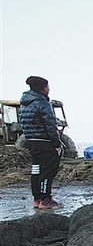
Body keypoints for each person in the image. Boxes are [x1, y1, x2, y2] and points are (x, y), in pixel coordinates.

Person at [19, 76, 63, 209]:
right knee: (48, 170)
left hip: (32, 142)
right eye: (48, 87)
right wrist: (56, 144)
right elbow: (50, 125)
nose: (49, 89)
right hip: (45, 142)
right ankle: (45, 199)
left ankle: (37, 198)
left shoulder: (24, 104)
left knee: (36, 170)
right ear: (43, 89)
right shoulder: (43, 103)